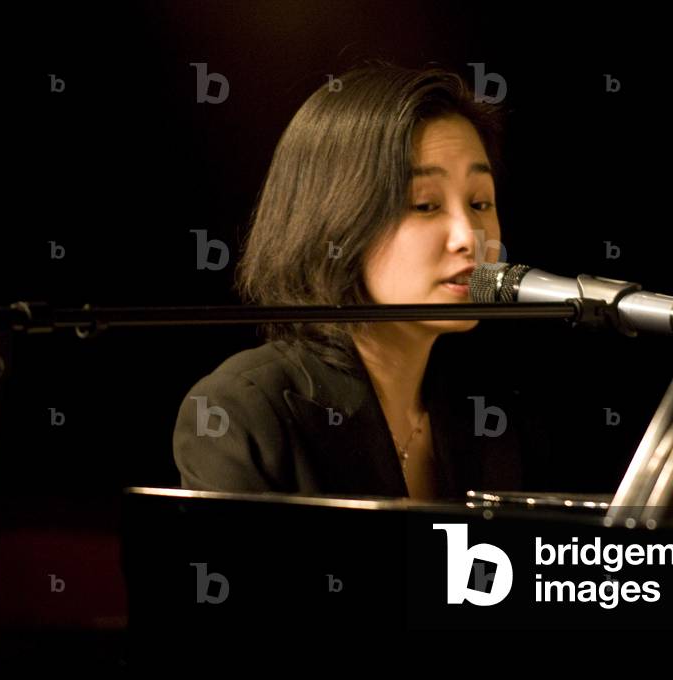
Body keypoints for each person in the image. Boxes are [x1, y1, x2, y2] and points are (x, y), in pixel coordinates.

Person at [173, 61, 551, 500]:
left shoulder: (493, 413)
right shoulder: (245, 408)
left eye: (480, 202)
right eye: (426, 205)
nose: (469, 237)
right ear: (336, 219)